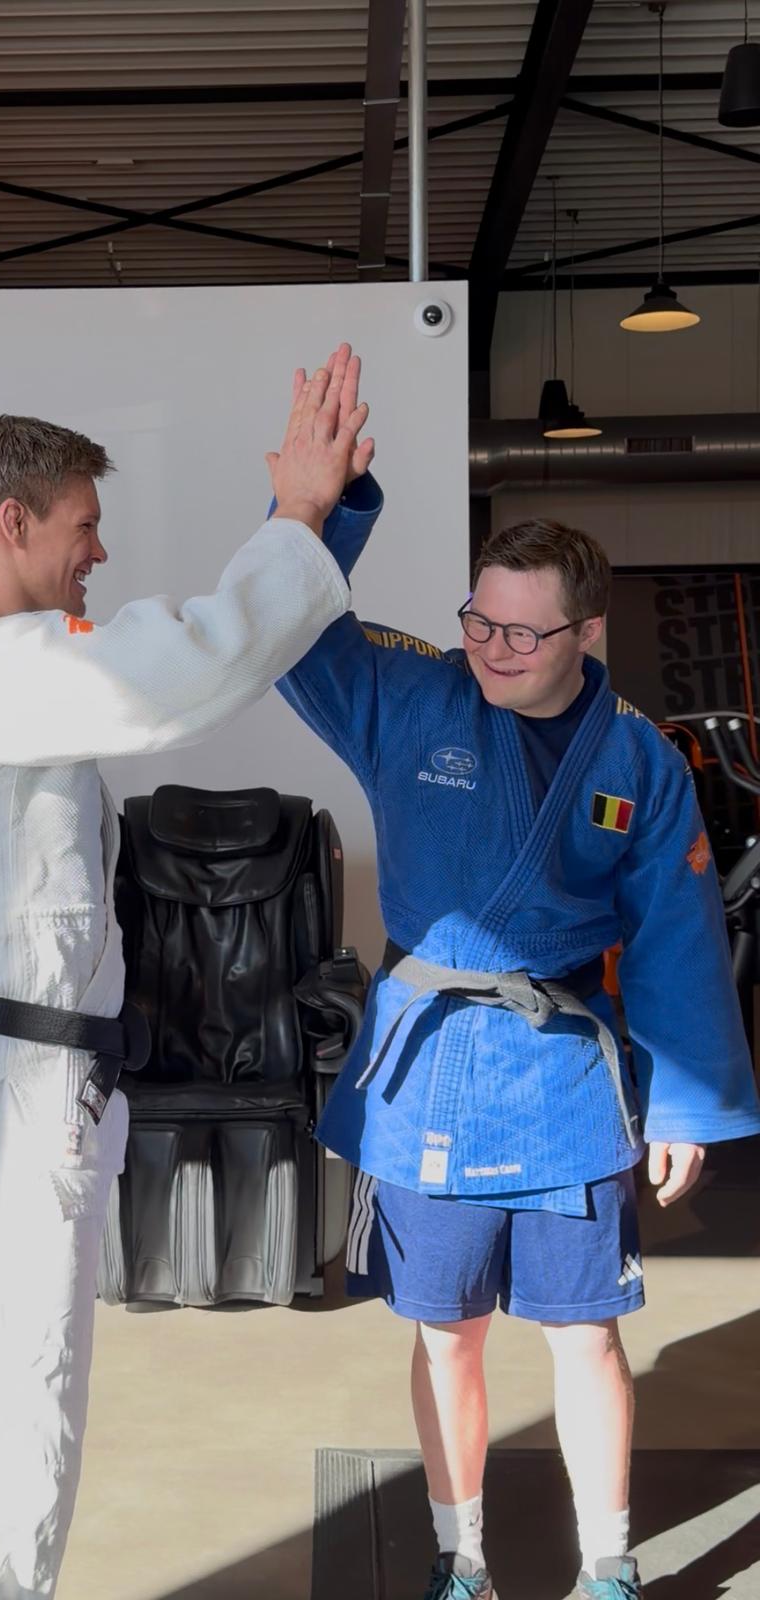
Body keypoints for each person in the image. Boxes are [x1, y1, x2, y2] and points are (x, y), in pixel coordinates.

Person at [0, 343, 374, 1599]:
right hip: (7, 1100)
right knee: (11, 1455)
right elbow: (179, 668)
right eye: (83, 526)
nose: (98, 553)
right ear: (12, 520)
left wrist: (314, 531)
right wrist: (297, 516)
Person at [277, 463, 760, 1600]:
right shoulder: (410, 697)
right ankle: (462, 1560)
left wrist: (683, 1106)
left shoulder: (637, 758)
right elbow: (291, 635)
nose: (493, 649)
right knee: (446, 1333)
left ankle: (606, 1565)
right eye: (479, 621)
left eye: (526, 634)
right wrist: (322, 510)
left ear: (587, 632)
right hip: (432, 1067)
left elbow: (675, 934)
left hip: (562, 1076)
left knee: (586, 1333)